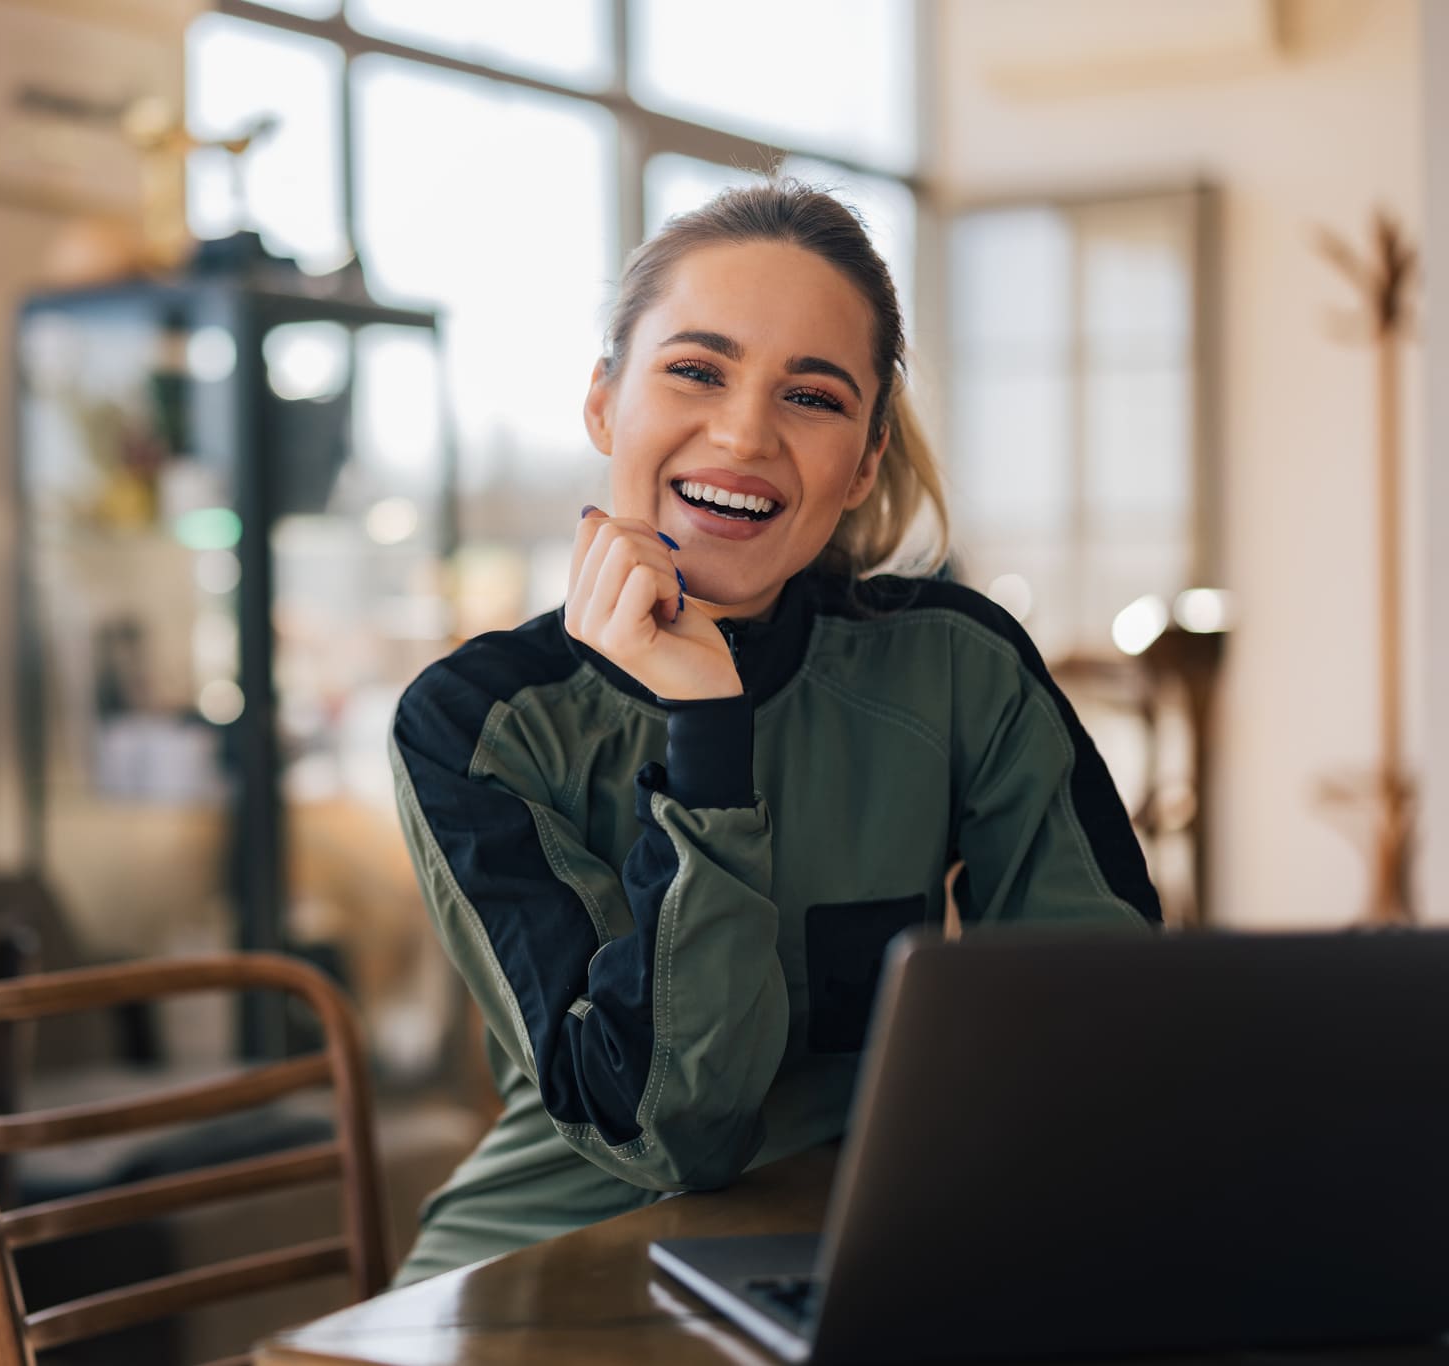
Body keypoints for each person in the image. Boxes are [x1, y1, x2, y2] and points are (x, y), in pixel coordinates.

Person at [386, 181, 1162, 1287]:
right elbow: (668, 1136)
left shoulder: (955, 667)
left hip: (859, 1245)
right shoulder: (473, 722)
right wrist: (708, 730)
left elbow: (1101, 1026)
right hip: (546, 1269)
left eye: (810, 395)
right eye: (695, 371)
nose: (744, 434)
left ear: (864, 459)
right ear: (604, 403)